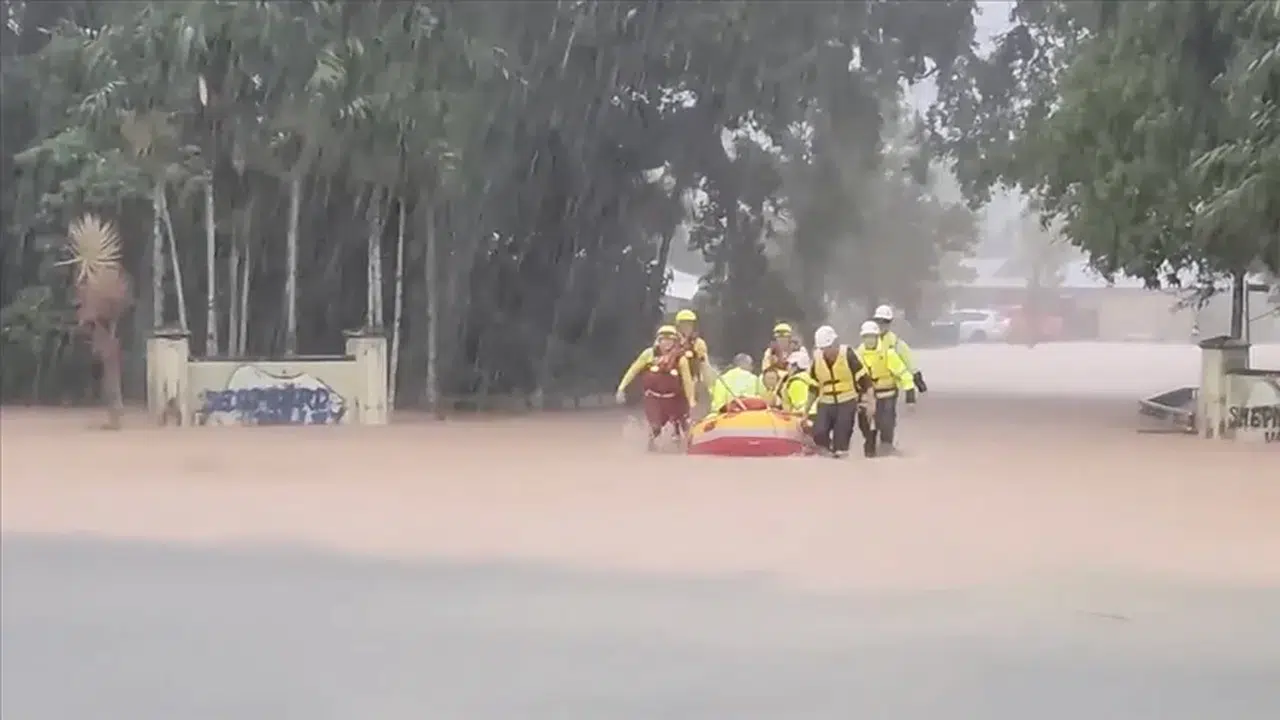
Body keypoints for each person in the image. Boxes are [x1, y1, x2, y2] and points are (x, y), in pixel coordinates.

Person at [616, 325, 697, 449]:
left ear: (675, 342)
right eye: (663, 339)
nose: (666, 343)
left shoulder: (681, 359)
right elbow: (633, 370)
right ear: (658, 340)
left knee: (685, 425)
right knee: (656, 427)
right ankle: (651, 444)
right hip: (654, 398)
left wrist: (691, 400)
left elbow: (687, 381)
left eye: (670, 340)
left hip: (675, 399)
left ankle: (685, 447)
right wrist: (621, 388)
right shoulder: (649, 354)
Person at [854, 320, 917, 457]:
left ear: (877, 337)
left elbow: (903, 374)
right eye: (866, 337)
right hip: (867, 396)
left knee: (886, 422)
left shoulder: (888, 353)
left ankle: (886, 447)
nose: (869, 340)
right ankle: (870, 444)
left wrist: (910, 395)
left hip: (887, 394)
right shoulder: (857, 355)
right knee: (865, 424)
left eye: (872, 336)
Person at [809, 325, 872, 458]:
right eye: (823, 349)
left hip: (847, 400)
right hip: (826, 401)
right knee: (819, 433)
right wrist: (805, 410)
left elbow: (865, 381)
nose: (827, 352)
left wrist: (870, 403)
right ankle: (826, 455)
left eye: (829, 347)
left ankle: (841, 463)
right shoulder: (817, 359)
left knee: (842, 436)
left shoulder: (848, 354)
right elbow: (813, 387)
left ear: (836, 343)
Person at [872, 304, 927, 392]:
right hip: (872, 388)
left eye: (885, 321)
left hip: (892, 388)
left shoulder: (896, 343)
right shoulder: (868, 341)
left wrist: (917, 379)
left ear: (890, 323)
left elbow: (909, 362)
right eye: (879, 321)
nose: (881, 324)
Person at [673, 308, 712, 397]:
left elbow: (705, 365)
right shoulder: (670, 340)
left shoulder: (699, 343)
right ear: (678, 325)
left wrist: (708, 386)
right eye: (683, 324)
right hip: (673, 380)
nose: (686, 327)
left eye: (689, 324)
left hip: (692, 380)